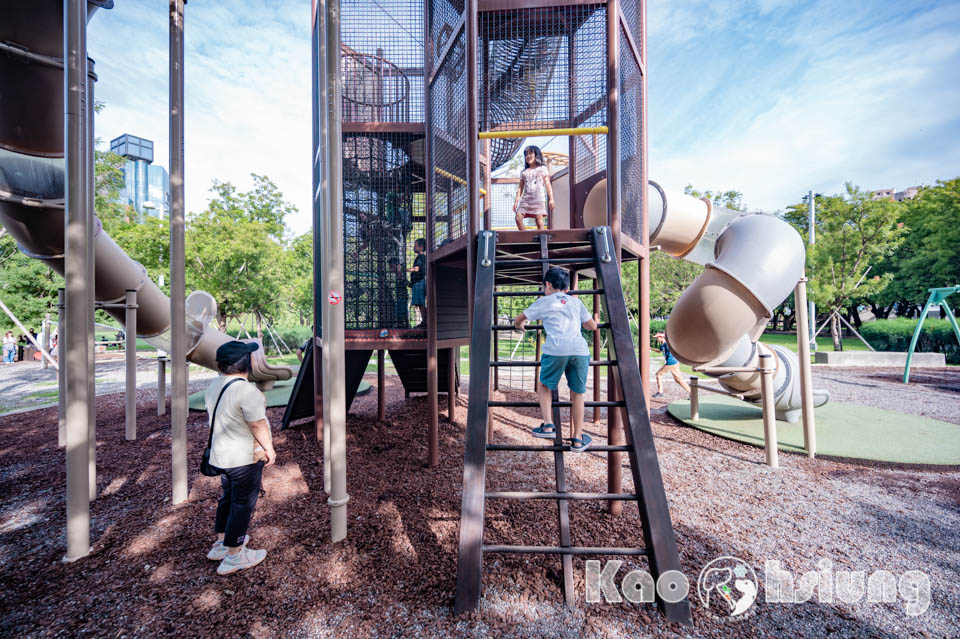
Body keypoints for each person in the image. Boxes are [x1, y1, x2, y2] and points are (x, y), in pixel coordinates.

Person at [204, 340, 276, 575]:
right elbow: (256, 424)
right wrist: (269, 449)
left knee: (228, 498)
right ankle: (234, 555)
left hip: (221, 455)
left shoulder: (215, 385)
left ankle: (221, 543)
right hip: (243, 458)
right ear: (246, 362)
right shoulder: (247, 391)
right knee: (242, 503)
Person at [514, 267, 598, 452]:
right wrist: (593, 319)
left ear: (548, 285)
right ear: (567, 289)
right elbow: (592, 326)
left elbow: (520, 318)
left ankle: (548, 425)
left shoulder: (544, 301)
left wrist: (519, 326)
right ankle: (577, 439)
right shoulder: (576, 303)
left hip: (556, 350)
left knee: (544, 385)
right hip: (579, 350)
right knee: (578, 393)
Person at [512, 145, 554, 231]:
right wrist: (516, 201)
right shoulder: (524, 172)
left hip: (538, 198)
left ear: (536, 155)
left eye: (530, 153)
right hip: (526, 200)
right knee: (518, 218)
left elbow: (547, 184)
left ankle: (541, 239)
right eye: (526, 154)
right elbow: (520, 188)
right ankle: (525, 238)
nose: (528, 156)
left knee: (539, 219)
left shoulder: (542, 169)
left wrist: (551, 199)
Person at [651, 332, 690, 398]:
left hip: (671, 362)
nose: (657, 339)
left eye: (657, 337)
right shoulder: (663, 345)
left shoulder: (667, 344)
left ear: (661, 337)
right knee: (678, 380)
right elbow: (659, 351)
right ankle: (692, 392)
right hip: (674, 363)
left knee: (658, 374)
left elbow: (673, 348)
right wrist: (650, 348)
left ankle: (660, 392)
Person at [409, 238, 427, 327]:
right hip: (418, 282)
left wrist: (407, 269)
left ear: (421, 247)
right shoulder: (421, 257)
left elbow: (417, 268)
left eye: (415, 245)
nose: (414, 247)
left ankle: (425, 322)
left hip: (419, 282)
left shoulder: (421, 256)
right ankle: (425, 321)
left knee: (420, 303)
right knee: (419, 304)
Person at [389, 257, 410, 328]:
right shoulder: (398, 273)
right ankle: (401, 325)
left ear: (396, 265)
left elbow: (407, 283)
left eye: (392, 267)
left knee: (402, 312)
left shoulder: (400, 272)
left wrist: (402, 277)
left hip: (403, 296)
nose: (390, 269)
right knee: (398, 312)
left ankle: (405, 325)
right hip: (399, 296)